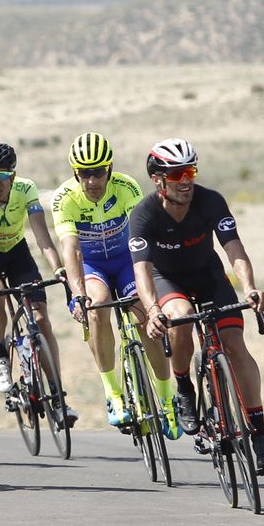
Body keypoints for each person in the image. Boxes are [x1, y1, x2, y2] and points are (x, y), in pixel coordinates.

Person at [129, 137, 264, 474]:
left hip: (208, 276)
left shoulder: (210, 201)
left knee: (235, 345)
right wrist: (152, 311)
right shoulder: (144, 215)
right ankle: (183, 385)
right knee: (180, 318)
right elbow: (141, 272)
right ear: (157, 180)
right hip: (168, 280)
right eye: (176, 174)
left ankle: (259, 434)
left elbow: (234, 248)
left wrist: (250, 288)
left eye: (190, 172)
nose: (186, 181)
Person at [52, 132, 178, 434]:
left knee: (145, 317)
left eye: (98, 172)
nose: (92, 180)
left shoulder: (125, 186)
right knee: (97, 307)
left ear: (109, 168)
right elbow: (71, 249)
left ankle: (167, 398)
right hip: (91, 265)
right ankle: (114, 394)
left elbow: (142, 234)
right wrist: (77, 293)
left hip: (125, 261)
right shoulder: (65, 198)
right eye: (84, 173)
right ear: (75, 173)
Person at [0, 142, 75, 424]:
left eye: (1, 176)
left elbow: (42, 236)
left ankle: (57, 396)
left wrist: (58, 268)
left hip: (16, 252)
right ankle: (0, 356)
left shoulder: (26, 189)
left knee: (41, 319)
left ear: (13, 175)